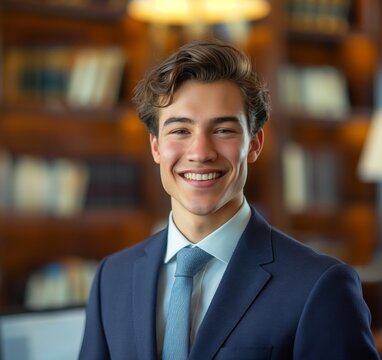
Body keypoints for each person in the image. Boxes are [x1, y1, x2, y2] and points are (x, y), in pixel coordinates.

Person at [79, 40, 379, 359]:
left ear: (254, 144)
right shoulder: (112, 277)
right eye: (180, 131)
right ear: (155, 146)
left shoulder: (320, 285)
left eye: (223, 130)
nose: (201, 153)